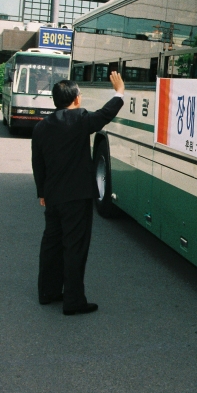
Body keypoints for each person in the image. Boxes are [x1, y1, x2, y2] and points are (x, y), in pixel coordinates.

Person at [32, 72, 124, 315]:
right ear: (74, 98)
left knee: (51, 244)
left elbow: (37, 164)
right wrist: (119, 92)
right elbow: (104, 116)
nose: (81, 96)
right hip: (76, 197)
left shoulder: (42, 126)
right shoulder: (80, 119)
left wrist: (42, 191)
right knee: (75, 247)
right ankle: (73, 301)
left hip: (52, 196)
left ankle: (47, 292)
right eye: (79, 93)